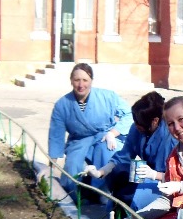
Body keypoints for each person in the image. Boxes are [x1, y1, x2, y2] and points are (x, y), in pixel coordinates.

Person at [82, 91, 176, 219]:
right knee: (119, 172)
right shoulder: (138, 128)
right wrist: (100, 172)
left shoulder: (170, 136)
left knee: (134, 199)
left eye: (139, 123)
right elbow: (124, 155)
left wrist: (155, 175)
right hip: (146, 176)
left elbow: (178, 176)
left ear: (155, 121)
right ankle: (120, 214)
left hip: (165, 184)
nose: (136, 125)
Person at [48, 63, 132, 194]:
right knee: (73, 166)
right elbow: (56, 135)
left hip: (104, 137)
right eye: (77, 80)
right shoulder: (62, 105)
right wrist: (51, 167)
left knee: (110, 154)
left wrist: (112, 133)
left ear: (91, 80)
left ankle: (108, 193)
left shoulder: (107, 96)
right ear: (71, 81)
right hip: (79, 142)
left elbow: (129, 114)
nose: (81, 85)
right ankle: (76, 196)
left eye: (85, 80)